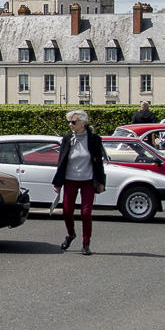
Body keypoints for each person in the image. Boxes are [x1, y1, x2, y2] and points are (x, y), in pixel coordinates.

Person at [47, 109, 106, 255]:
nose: (70, 124)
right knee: (67, 211)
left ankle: (86, 244)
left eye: (73, 122)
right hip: (70, 179)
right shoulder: (67, 139)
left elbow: (98, 162)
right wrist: (58, 183)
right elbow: (61, 161)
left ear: (83, 123)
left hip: (88, 180)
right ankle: (71, 234)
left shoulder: (94, 139)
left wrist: (100, 181)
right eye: (69, 122)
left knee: (86, 213)